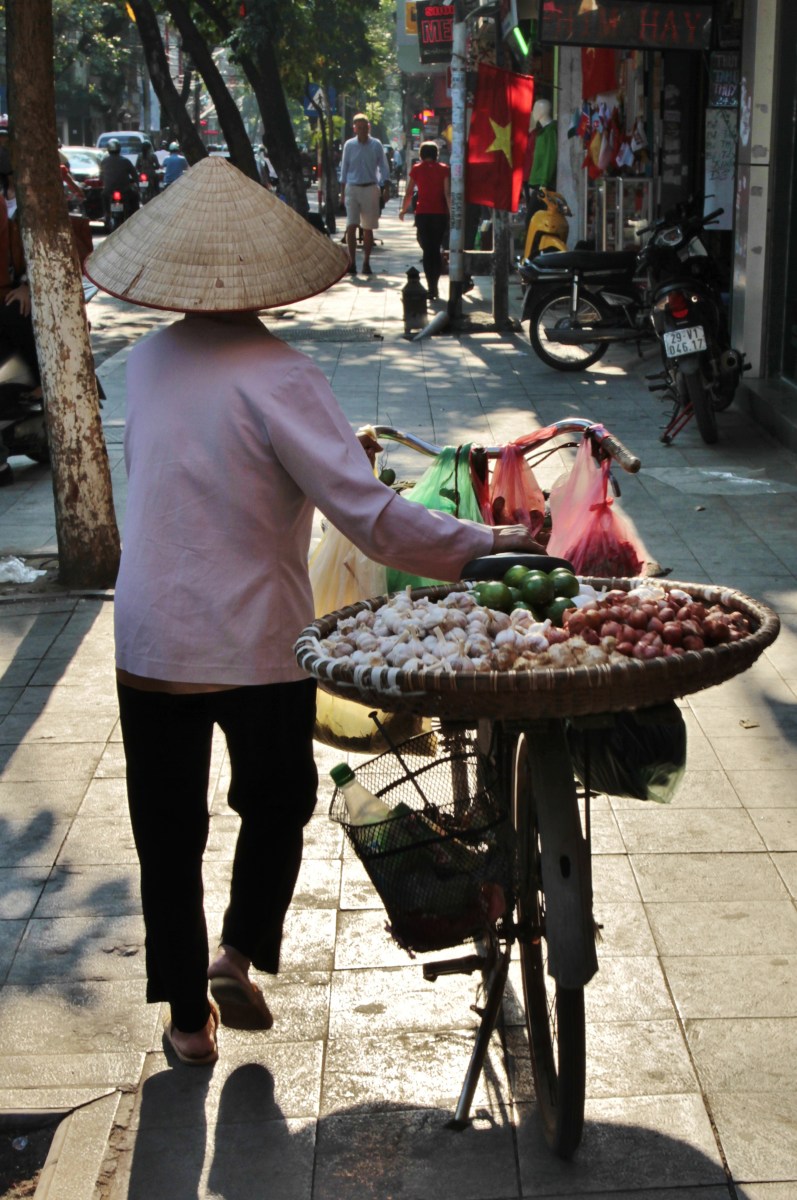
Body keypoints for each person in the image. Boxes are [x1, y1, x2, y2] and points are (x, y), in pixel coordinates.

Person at [84, 157, 541, 1067]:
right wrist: (480, 546)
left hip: (149, 637)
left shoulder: (146, 359)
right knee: (278, 802)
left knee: (166, 838)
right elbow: (368, 519)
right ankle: (237, 951)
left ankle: (186, 1024)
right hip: (256, 641)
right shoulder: (284, 376)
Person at [398, 140, 451, 301]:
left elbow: (409, 192)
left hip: (423, 214)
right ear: (436, 154)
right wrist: (452, 213)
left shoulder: (416, 169)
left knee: (428, 250)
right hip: (440, 214)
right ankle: (433, 286)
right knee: (435, 248)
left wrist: (403, 209)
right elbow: (447, 193)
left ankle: (432, 286)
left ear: (421, 155)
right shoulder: (444, 170)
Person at [338, 113, 389, 276]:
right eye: (358, 127)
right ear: (354, 129)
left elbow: (383, 166)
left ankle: (366, 262)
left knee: (368, 228)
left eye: (364, 127)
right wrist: (342, 192)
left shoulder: (376, 145)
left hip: (370, 188)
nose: (361, 130)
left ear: (368, 128)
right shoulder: (349, 145)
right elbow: (344, 169)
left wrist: (385, 186)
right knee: (351, 226)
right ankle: (352, 262)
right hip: (352, 188)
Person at [99, 138, 139, 223]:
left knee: (103, 195)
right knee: (135, 196)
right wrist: (136, 183)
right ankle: (134, 217)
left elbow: (101, 176)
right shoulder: (125, 161)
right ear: (119, 149)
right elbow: (134, 174)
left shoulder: (104, 161)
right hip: (124, 189)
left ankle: (106, 214)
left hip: (109, 190)